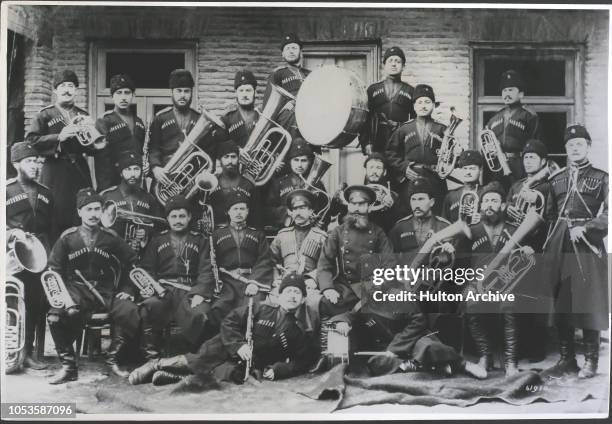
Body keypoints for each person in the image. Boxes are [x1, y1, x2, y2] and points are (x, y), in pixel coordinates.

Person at [128, 273, 320, 390]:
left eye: (297, 293)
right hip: (224, 346)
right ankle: (156, 364)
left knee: (223, 376)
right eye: (289, 292)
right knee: (200, 361)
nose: (292, 296)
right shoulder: (260, 308)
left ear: (303, 299)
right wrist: (238, 345)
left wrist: (279, 369)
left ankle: (176, 377)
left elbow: (301, 361)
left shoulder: (298, 332)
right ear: (279, 296)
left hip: (246, 364)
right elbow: (230, 321)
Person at [45, 188, 140, 383]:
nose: (93, 214)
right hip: (75, 290)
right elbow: (53, 269)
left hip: (105, 291)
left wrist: (128, 289)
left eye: (97, 209)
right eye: (88, 209)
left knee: (129, 310)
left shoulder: (110, 237)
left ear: (102, 211)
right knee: (55, 317)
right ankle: (69, 367)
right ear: (79, 212)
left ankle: (112, 360)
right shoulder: (67, 237)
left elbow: (133, 263)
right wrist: (62, 296)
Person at [544, 124, 608, 379]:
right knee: (563, 300)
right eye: (570, 145)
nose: (574, 148)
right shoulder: (555, 179)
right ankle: (566, 358)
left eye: (579, 144)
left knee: (590, 300)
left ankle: (591, 361)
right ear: (565, 149)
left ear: (588, 147)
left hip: (587, 244)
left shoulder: (602, 178)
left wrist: (589, 226)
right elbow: (549, 216)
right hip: (560, 242)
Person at [465, 181, 532, 378]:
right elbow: (462, 263)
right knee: (469, 304)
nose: (489, 205)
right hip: (478, 282)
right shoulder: (471, 230)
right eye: (485, 201)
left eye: (494, 201)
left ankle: (511, 361)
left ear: (503, 205)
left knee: (508, 307)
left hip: (509, 284)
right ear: (480, 206)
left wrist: (528, 251)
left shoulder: (515, 229)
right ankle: (485, 356)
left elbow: (527, 258)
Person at [138, 195, 215, 359]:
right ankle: (152, 357)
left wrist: (200, 293)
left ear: (189, 217)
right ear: (167, 218)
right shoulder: (157, 240)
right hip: (163, 291)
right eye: (173, 216)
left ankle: (194, 357)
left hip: (190, 290)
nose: (178, 220)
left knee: (202, 314)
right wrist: (151, 289)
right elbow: (147, 268)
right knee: (148, 307)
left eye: (182, 216)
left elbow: (207, 270)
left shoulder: (200, 240)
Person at [25, 69, 96, 242]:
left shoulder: (83, 115)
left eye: (71, 86)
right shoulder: (45, 114)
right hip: (54, 172)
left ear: (76, 91)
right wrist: (58, 137)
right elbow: (30, 141)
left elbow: (92, 149)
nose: (67, 89)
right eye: (62, 86)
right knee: (53, 215)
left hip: (78, 171)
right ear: (55, 91)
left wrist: (95, 134)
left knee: (79, 212)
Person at [6, 142, 54, 369]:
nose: (35, 166)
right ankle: (15, 351)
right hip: (14, 255)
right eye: (29, 161)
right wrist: (10, 232)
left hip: (40, 254)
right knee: (15, 302)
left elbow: (52, 227)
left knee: (37, 303)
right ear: (16, 164)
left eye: (37, 161)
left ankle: (32, 352)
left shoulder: (46, 193)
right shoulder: (5, 190)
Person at [316, 185, 393, 319]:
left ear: (369, 207)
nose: (356, 208)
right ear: (348, 206)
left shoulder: (378, 233)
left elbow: (389, 265)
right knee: (324, 305)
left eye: (361, 204)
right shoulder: (337, 232)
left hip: (372, 287)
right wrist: (328, 288)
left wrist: (379, 285)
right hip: (345, 288)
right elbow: (324, 264)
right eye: (353, 204)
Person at [205, 192, 274, 330]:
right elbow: (210, 263)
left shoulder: (257, 234)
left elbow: (264, 261)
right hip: (227, 282)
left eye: (242, 209)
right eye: (235, 209)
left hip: (251, 281)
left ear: (247, 211)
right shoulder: (217, 234)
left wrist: (254, 282)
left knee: (253, 306)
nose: (238, 212)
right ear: (228, 212)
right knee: (219, 307)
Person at [148, 69, 221, 188]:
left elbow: (209, 151)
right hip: (164, 179)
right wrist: (156, 168)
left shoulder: (200, 119)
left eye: (186, 91)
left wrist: (205, 172)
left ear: (192, 93)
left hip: (191, 180)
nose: (183, 95)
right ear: (171, 92)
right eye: (179, 91)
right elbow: (153, 148)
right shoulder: (160, 118)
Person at [385, 84, 448, 215]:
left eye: (427, 102)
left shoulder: (442, 129)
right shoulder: (404, 129)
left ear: (434, 105)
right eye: (419, 102)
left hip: (435, 179)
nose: (423, 105)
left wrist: (452, 159)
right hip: (411, 178)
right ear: (414, 106)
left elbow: (452, 154)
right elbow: (390, 153)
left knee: (436, 212)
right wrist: (404, 167)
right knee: (409, 212)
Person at [99, 151, 164, 257]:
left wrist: (145, 233)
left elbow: (157, 227)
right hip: (111, 255)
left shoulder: (149, 198)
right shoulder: (106, 196)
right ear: (120, 173)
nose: (133, 174)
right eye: (128, 169)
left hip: (141, 257)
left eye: (136, 169)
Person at [483, 70, 539, 187]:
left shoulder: (529, 116)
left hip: (519, 166)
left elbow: (536, 145)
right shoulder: (494, 118)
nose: (506, 94)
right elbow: (485, 144)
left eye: (511, 90)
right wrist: (489, 149)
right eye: (504, 91)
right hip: (496, 167)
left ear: (521, 94)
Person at [264, 138, 331, 232]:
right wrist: (285, 212)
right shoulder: (279, 182)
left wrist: (321, 221)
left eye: (303, 160)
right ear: (290, 161)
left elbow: (325, 211)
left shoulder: (317, 184)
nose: (299, 165)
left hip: (311, 232)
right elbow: (268, 210)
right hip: (286, 231)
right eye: (296, 160)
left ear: (309, 162)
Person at [94, 74, 146, 191]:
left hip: (134, 181)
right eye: (119, 93)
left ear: (133, 95)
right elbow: (102, 161)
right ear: (112, 96)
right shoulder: (104, 121)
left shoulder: (139, 122)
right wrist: (105, 189)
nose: (123, 97)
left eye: (127, 93)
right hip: (112, 183)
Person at [269, 189, 328, 293]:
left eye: (302, 208)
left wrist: (314, 279)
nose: (298, 212)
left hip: (309, 285)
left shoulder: (321, 237)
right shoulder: (282, 235)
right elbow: (270, 260)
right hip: (285, 283)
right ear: (291, 213)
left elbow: (327, 264)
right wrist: (276, 278)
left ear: (311, 211)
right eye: (295, 209)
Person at [359, 46, 415, 155]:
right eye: (390, 61)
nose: (394, 64)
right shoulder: (373, 89)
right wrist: (366, 142)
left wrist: (410, 145)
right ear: (384, 65)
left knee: (398, 171)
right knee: (377, 172)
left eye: (398, 61)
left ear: (403, 66)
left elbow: (415, 122)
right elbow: (364, 120)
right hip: (376, 143)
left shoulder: (411, 91)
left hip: (400, 144)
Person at [335, 153, 401, 233]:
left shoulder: (393, 196)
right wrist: (346, 207)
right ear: (365, 171)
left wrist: (391, 208)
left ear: (384, 172)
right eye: (371, 167)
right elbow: (342, 222)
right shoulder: (355, 194)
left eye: (378, 168)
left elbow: (397, 226)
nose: (374, 171)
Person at [262, 33, 311, 139]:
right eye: (287, 48)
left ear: (300, 52)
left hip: (308, 125)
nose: (291, 51)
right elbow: (268, 107)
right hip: (287, 126)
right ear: (283, 54)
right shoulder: (277, 74)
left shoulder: (309, 75)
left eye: (294, 48)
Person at [207, 140, 261, 228]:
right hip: (216, 233)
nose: (230, 161)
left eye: (233, 157)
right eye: (226, 157)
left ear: (239, 158)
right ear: (220, 159)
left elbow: (256, 216)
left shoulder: (249, 184)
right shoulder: (211, 183)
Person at [221, 70, 259, 148]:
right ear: (236, 93)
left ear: (255, 92)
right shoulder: (226, 120)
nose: (244, 95)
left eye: (248, 90)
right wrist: (235, 150)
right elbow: (220, 147)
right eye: (241, 90)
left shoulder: (262, 117)